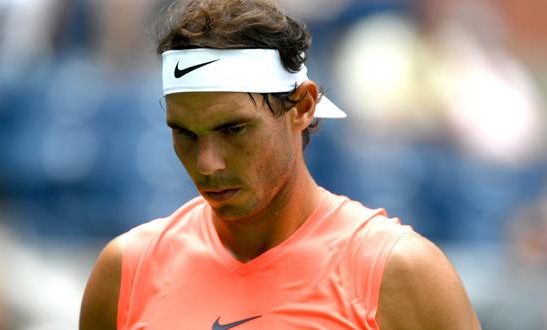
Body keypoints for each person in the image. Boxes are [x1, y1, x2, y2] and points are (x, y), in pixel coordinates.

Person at [80, 0, 480, 329]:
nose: (208, 164)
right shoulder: (124, 271)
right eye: (185, 133)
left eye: (234, 129)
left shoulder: (402, 274)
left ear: (302, 106)